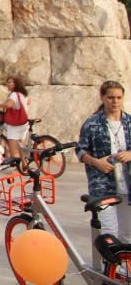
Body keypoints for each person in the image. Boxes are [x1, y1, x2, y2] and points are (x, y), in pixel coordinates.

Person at [76, 80, 131, 266]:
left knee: (128, 233)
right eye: (110, 97)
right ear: (103, 97)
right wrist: (97, 163)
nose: (115, 101)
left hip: (127, 187)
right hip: (103, 187)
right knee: (109, 231)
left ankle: (125, 270)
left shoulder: (130, 122)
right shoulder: (92, 123)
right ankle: (111, 270)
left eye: (118, 97)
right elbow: (81, 151)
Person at [0, 76, 30, 165]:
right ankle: (24, 165)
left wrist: (0, 105)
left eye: (10, 82)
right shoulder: (22, 94)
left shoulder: (14, 94)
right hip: (24, 123)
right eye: (8, 82)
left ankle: (16, 168)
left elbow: (9, 104)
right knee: (20, 146)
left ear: (15, 84)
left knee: (14, 149)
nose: (8, 84)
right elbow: (29, 102)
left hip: (15, 125)